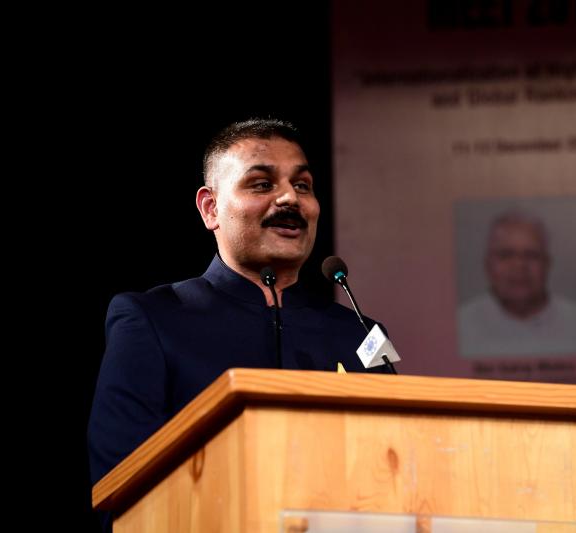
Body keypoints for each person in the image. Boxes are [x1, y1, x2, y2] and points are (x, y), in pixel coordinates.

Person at [87, 118, 389, 527]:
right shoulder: (152, 320)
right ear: (210, 208)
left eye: (303, 186)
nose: (290, 198)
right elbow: (120, 483)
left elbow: (397, 463)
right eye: (262, 185)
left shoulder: (360, 333)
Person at [458, 209, 576, 357]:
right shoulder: (460, 326)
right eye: (506, 255)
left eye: (531, 255)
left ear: (547, 264)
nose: (519, 266)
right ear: (488, 265)